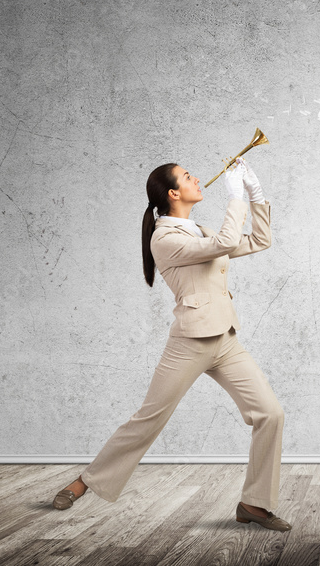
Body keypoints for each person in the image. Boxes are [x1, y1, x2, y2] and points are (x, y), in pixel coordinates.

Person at [51, 156, 290, 532]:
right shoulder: (164, 238)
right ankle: (84, 483)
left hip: (225, 339)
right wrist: (234, 197)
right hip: (190, 343)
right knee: (149, 419)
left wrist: (255, 193)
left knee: (270, 414)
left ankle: (255, 504)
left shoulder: (198, 230)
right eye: (187, 176)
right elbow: (228, 240)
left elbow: (259, 240)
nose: (197, 178)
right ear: (174, 193)